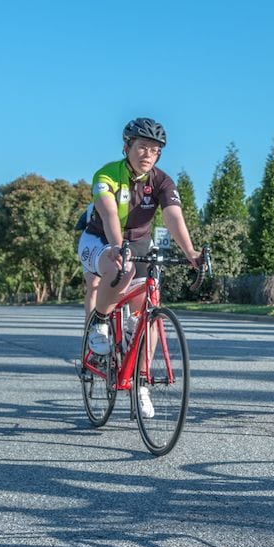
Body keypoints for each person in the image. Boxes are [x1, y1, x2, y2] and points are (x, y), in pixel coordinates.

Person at [78, 118, 202, 417]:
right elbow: (108, 214)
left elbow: (173, 217)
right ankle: (101, 322)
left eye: (155, 150)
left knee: (148, 309)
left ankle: (141, 382)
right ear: (127, 147)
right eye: (142, 147)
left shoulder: (162, 181)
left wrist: (190, 252)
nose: (148, 154)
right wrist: (119, 249)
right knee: (121, 269)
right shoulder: (107, 174)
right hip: (98, 237)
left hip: (140, 241)